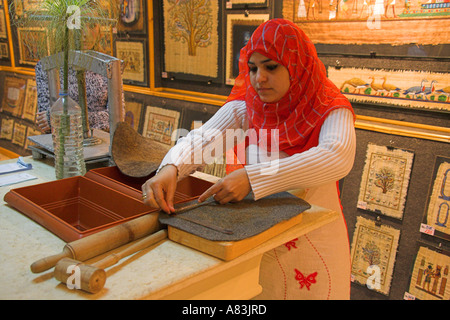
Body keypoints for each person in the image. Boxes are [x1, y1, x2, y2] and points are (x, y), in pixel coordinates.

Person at [141, 18, 356, 300]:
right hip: (263, 242)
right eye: (252, 68)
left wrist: (253, 179)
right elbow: (203, 139)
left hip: (313, 244)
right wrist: (171, 167)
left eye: (271, 66)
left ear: (297, 65)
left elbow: (336, 157)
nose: (259, 78)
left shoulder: (329, 107)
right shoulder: (249, 107)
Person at [35, 23, 110, 133]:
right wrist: (99, 118)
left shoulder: (108, 66)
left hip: (102, 143)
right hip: (64, 145)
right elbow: (46, 124)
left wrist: (63, 119)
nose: (85, 34)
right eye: (78, 26)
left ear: (99, 30)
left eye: (92, 26)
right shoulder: (47, 67)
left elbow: (115, 118)